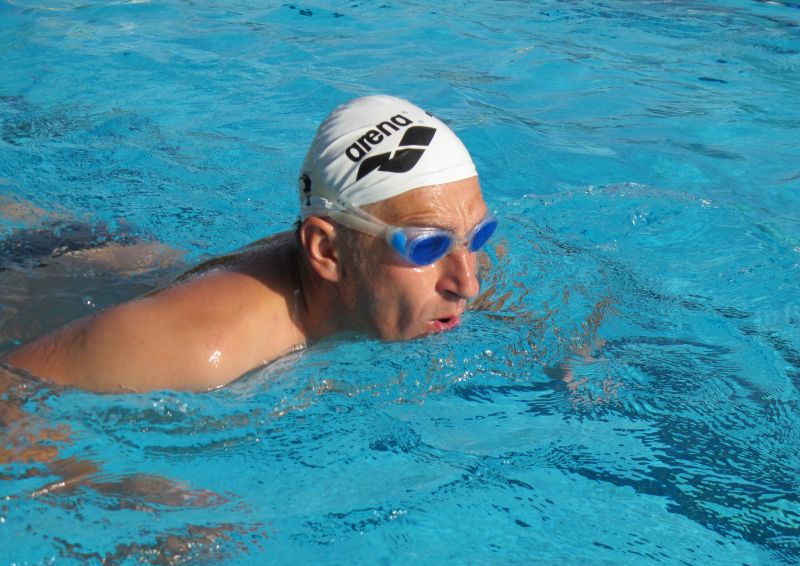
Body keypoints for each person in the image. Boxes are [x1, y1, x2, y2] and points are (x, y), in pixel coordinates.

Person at [1, 95, 497, 393]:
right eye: (427, 247)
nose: (466, 283)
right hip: (30, 271)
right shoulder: (198, 349)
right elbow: (10, 397)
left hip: (128, 262)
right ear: (326, 252)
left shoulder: (451, 270)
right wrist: (124, 491)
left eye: (477, 237)